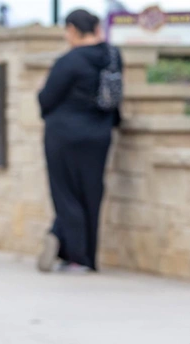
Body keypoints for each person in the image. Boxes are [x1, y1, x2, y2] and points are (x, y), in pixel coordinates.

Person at [37, 9, 122, 273]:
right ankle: (83, 255)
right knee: (91, 192)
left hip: (64, 134)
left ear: (72, 29)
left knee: (65, 193)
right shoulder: (113, 55)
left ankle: (75, 255)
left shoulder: (69, 61)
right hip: (100, 134)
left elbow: (46, 100)